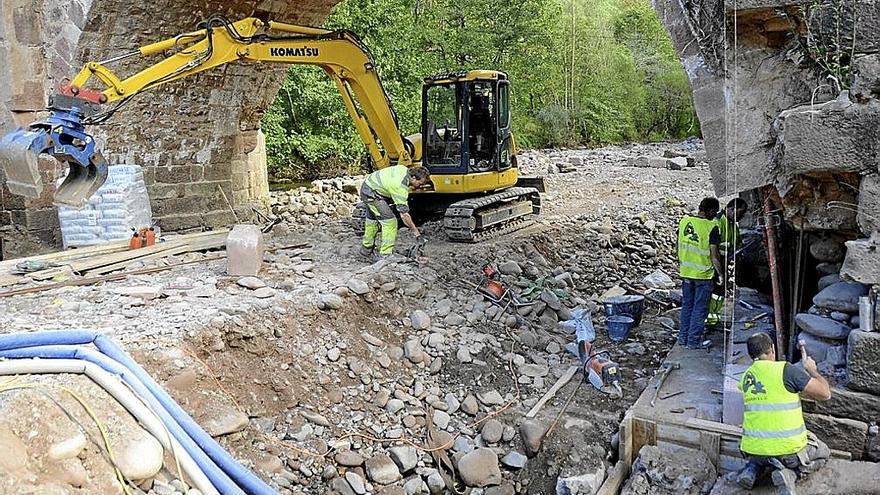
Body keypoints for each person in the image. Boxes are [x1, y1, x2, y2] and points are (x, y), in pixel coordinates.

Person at [736, 333, 832, 494]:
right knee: (824, 452)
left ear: (751, 355)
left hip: (753, 451)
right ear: (772, 349)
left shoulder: (746, 377)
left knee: (765, 454)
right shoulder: (786, 370)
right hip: (789, 452)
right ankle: (791, 475)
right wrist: (812, 371)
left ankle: (752, 470)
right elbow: (825, 393)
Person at [677, 197, 724, 349]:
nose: (715, 214)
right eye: (714, 212)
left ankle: (682, 339)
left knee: (687, 307)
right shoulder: (711, 227)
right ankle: (693, 342)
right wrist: (721, 274)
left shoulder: (684, 222)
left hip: (686, 273)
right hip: (703, 275)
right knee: (699, 310)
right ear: (710, 210)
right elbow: (714, 255)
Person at [359, 165, 432, 259]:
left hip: (369, 186)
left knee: (372, 221)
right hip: (372, 194)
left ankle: (366, 250)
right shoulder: (400, 188)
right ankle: (386, 255)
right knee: (390, 222)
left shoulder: (404, 169)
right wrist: (417, 233)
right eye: (420, 183)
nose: (421, 186)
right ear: (413, 178)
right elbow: (404, 215)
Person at [707, 198, 748, 327]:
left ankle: (714, 320)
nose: (740, 217)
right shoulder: (718, 222)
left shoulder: (732, 225)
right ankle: (709, 321)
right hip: (714, 264)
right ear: (732, 209)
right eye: (740, 213)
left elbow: (738, 243)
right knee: (714, 294)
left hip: (724, 263)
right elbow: (713, 250)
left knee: (719, 294)